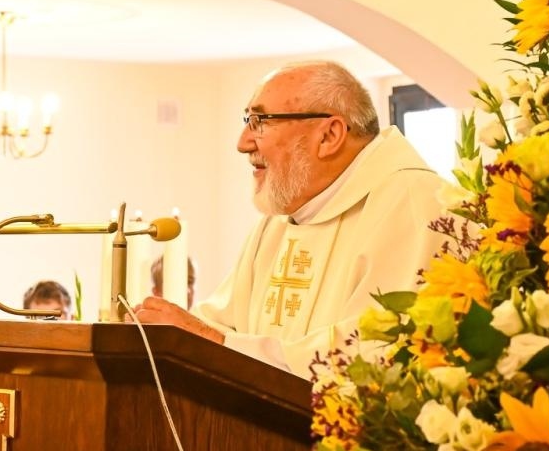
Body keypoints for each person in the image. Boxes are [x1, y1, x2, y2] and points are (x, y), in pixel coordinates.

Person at [133, 61, 451, 373]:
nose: (243, 143)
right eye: (248, 120)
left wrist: (210, 340)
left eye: (260, 121)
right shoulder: (280, 221)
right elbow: (219, 321)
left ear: (329, 135)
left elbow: (376, 356)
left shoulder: (414, 206)